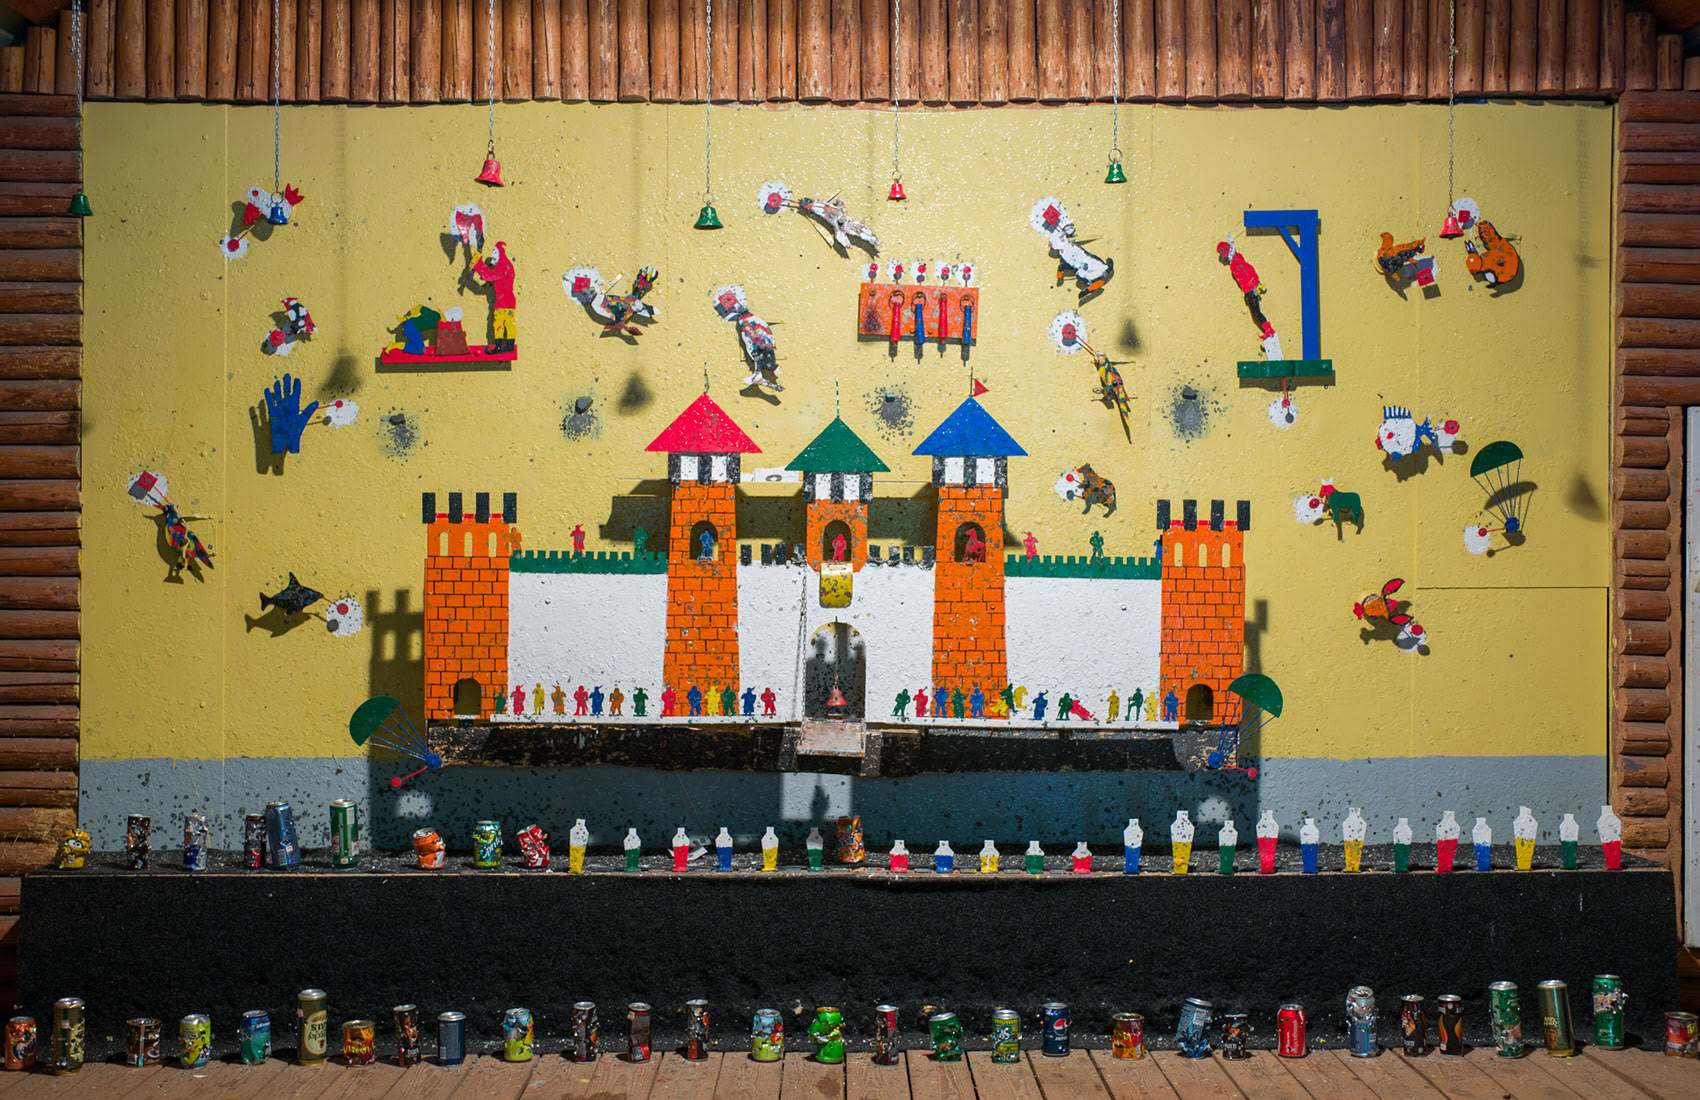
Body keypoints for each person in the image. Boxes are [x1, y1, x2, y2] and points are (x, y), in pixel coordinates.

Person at [470, 241, 517, 353]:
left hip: (503, 303)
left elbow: (489, 276)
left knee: (499, 323)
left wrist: (477, 264)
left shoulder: (503, 267)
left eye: (495, 252)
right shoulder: (506, 266)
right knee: (508, 323)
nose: (493, 255)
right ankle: (509, 346)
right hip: (508, 302)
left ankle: (499, 346)